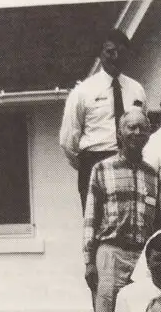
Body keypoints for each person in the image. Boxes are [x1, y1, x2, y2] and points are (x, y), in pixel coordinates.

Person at [83, 109, 161, 312]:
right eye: (131, 128)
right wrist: (89, 262)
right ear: (119, 133)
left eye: (142, 128)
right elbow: (90, 220)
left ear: (149, 134)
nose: (137, 133)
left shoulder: (153, 174)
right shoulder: (102, 169)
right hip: (111, 253)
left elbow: (156, 223)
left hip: (142, 256)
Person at [59, 29, 146, 211]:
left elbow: (142, 129)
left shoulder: (137, 89)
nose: (115, 57)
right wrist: (88, 164)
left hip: (130, 161)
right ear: (100, 53)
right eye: (110, 51)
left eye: (121, 52)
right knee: (95, 222)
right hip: (94, 161)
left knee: (129, 216)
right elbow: (68, 141)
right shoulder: (83, 91)